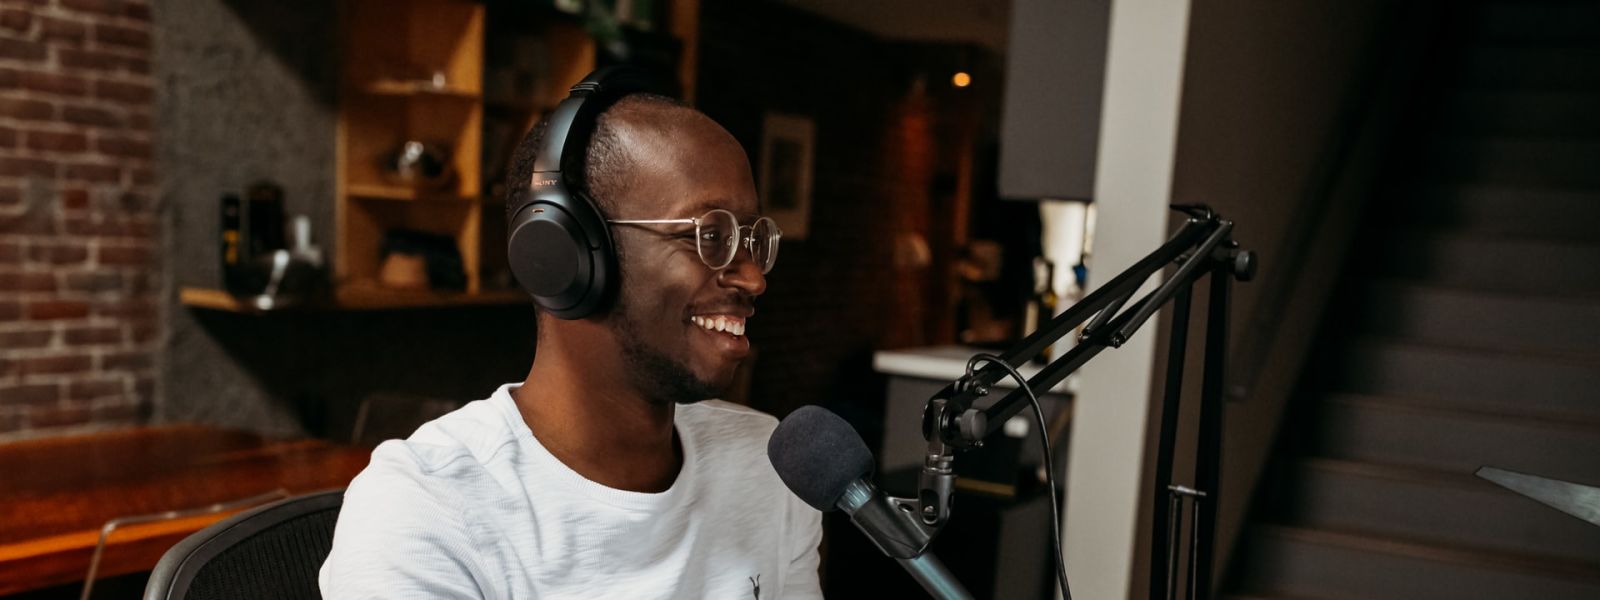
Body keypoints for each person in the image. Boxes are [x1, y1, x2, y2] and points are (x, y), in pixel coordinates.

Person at [320, 82, 822, 599]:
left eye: (753, 240)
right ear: (567, 255)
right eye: (711, 237)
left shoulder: (772, 463)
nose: (754, 279)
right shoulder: (425, 511)